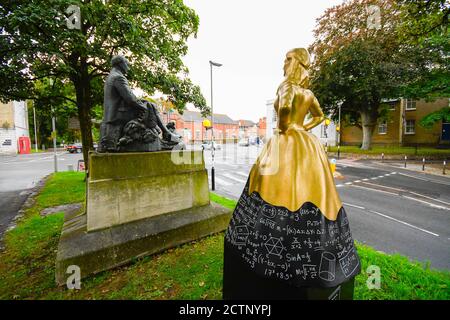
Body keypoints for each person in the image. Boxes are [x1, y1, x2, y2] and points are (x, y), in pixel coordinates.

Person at [223, 48, 361, 300]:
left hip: (285, 141)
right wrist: (303, 127)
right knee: (314, 187)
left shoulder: (286, 87)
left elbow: (284, 111)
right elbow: (319, 117)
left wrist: (287, 126)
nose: (284, 63)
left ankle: (272, 233)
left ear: (297, 63)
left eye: (287, 59)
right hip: (306, 142)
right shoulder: (308, 94)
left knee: (271, 186)